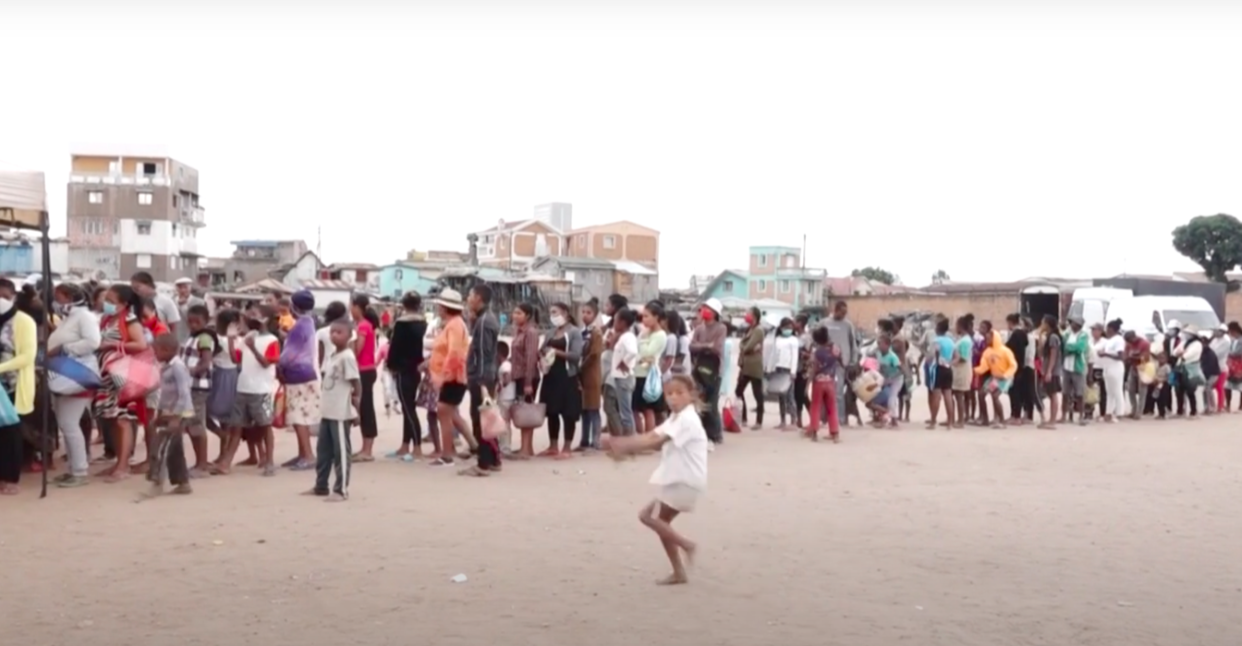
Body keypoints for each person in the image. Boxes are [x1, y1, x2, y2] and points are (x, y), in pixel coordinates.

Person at [605, 375, 705, 586]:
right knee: (661, 522)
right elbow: (651, 435)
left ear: (691, 395)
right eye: (669, 394)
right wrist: (623, 444)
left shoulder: (687, 419)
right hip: (680, 478)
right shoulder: (676, 417)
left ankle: (686, 545)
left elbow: (657, 442)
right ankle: (679, 571)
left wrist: (623, 445)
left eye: (679, 393)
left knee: (648, 517)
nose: (673, 398)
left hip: (684, 479)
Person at [92, 285, 150, 483]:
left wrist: (112, 345)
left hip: (123, 377)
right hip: (108, 377)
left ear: (124, 304)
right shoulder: (107, 320)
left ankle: (123, 465)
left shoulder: (129, 320)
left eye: (111, 300)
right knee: (112, 420)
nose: (106, 303)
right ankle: (119, 462)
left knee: (123, 420)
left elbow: (140, 344)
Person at [46, 283, 101, 488]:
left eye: (58, 296)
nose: (55, 301)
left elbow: (93, 342)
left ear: (68, 297)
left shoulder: (84, 317)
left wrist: (64, 349)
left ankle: (79, 471)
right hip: (64, 374)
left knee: (69, 424)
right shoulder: (69, 318)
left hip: (77, 375)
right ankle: (73, 468)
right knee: (66, 424)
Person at [308, 319, 361, 501]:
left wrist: (357, 409)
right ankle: (321, 484)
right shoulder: (332, 356)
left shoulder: (348, 357)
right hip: (328, 410)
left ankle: (341, 489)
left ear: (349, 336)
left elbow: (356, 383)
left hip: (340, 412)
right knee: (323, 451)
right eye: (332, 332)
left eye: (339, 332)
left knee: (341, 452)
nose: (334, 335)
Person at [141, 334, 196, 499]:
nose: (155, 354)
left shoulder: (178, 367)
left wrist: (176, 417)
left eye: (156, 350)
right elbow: (165, 394)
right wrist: (160, 414)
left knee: (162, 448)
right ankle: (182, 483)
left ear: (167, 350)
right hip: (168, 412)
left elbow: (184, 392)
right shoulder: (166, 366)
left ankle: (157, 483)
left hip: (178, 413)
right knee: (175, 449)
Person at [427, 288, 473, 467]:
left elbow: (454, 353)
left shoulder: (454, 325)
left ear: (444, 308)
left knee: (444, 413)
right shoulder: (454, 323)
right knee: (451, 413)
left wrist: (443, 376)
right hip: (453, 375)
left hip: (452, 376)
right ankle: (474, 446)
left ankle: (447, 455)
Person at [234, 305, 281, 476]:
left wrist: (252, 347)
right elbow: (236, 359)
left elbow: (266, 363)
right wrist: (233, 340)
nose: (250, 316)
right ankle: (259, 457)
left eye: (255, 314)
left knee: (264, 425)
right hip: (244, 385)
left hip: (262, 388)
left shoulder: (271, 340)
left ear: (265, 320)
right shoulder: (247, 337)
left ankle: (269, 460)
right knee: (247, 425)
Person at [279, 291, 321, 470]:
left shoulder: (299, 327)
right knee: (298, 416)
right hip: (306, 372)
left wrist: (279, 366)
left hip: (298, 374)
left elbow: (289, 354)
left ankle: (308, 455)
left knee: (298, 417)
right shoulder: (309, 323)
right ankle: (302, 453)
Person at [462, 283, 501, 476]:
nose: (468, 299)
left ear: (478, 298)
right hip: (484, 376)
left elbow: (484, 354)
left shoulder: (485, 321)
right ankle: (494, 459)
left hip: (482, 377)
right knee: (487, 418)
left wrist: (482, 381)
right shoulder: (483, 319)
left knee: (481, 420)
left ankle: (483, 463)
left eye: (470, 295)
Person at [537, 302, 583, 459]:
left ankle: (567, 447)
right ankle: (553, 445)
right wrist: (543, 354)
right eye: (551, 312)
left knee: (568, 412)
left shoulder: (574, 332)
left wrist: (557, 352)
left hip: (567, 377)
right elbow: (542, 349)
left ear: (565, 313)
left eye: (555, 312)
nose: (553, 316)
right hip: (550, 376)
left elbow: (576, 356)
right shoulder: (550, 332)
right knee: (552, 411)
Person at [386, 292, 427, 460]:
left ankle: (416, 447)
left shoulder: (401, 324)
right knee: (407, 407)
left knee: (408, 409)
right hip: (417, 368)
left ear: (404, 304)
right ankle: (405, 445)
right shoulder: (424, 322)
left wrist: (391, 366)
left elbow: (395, 347)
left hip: (403, 369)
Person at [181, 304, 218, 476]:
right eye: (190, 322)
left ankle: (202, 464)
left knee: (196, 424)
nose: (193, 325)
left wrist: (191, 371)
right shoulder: (192, 337)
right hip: (190, 386)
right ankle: (199, 462)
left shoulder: (204, 338)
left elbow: (205, 362)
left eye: (197, 322)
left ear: (205, 321)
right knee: (192, 425)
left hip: (198, 387)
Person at [207, 308, 242, 474]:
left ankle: (223, 448)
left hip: (224, 375)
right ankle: (223, 445)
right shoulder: (225, 339)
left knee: (220, 415)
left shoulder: (225, 340)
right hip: (226, 374)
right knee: (219, 416)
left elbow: (233, 357)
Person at [689, 299, 726, 444]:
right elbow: (691, 346)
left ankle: (716, 434)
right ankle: (703, 432)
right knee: (699, 402)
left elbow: (717, 348)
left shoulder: (721, 328)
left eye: (708, 308)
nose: (704, 310)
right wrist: (706, 346)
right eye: (704, 307)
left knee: (712, 403)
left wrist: (701, 346)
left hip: (715, 370)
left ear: (715, 312)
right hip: (698, 369)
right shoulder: (699, 328)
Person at [349, 295, 380, 461]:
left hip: (365, 370)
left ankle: (367, 450)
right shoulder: (363, 325)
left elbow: (357, 351)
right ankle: (365, 447)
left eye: (351, 306)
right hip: (366, 370)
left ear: (357, 307)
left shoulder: (362, 326)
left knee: (366, 408)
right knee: (364, 407)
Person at [509, 302, 541, 459]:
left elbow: (531, 358)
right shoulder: (517, 331)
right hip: (517, 376)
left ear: (527, 316)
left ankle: (526, 448)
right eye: (514, 313)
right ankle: (526, 447)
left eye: (519, 313)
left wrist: (528, 382)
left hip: (528, 377)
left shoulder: (531, 332)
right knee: (522, 411)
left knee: (527, 411)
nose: (515, 316)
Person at [820, 300, 859, 427]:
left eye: (845, 313)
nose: (844, 315)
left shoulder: (848, 325)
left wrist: (853, 362)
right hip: (825, 363)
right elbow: (817, 339)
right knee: (824, 391)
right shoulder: (824, 323)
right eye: (842, 312)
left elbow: (853, 344)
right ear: (836, 310)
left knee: (838, 393)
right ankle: (824, 419)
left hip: (841, 364)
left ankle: (840, 419)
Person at [973, 322, 1016, 428]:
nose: (986, 340)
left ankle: (1002, 421)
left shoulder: (1005, 351)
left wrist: (1006, 375)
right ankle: (985, 419)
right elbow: (984, 366)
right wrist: (975, 370)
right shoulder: (987, 352)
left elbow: (1013, 365)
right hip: (995, 378)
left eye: (988, 338)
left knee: (995, 396)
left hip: (1005, 378)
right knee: (981, 393)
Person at [577, 300, 605, 452]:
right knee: (584, 409)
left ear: (595, 315)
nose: (585, 315)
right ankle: (584, 440)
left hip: (592, 374)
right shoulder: (582, 332)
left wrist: (581, 366)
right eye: (583, 312)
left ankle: (596, 440)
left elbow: (594, 354)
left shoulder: (596, 333)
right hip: (582, 375)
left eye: (589, 313)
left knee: (593, 409)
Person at [609, 308, 640, 438]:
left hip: (624, 378)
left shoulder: (628, 337)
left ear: (622, 322)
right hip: (620, 377)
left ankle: (630, 439)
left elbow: (633, 352)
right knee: (624, 410)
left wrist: (624, 362)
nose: (614, 323)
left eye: (615, 321)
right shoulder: (624, 336)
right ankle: (628, 438)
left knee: (625, 411)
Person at [807, 326, 840, 442]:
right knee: (832, 408)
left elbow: (814, 368)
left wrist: (808, 383)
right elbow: (842, 361)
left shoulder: (817, 352)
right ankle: (835, 433)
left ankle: (814, 432)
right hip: (831, 381)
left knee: (815, 407)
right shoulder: (835, 349)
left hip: (819, 382)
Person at [733, 306, 765, 430]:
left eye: (748, 314)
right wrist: (744, 346)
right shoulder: (750, 329)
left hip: (754, 365)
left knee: (757, 394)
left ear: (755, 316)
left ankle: (759, 421)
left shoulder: (758, 330)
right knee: (739, 391)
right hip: (746, 365)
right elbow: (744, 345)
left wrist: (744, 346)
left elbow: (747, 346)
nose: (746, 315)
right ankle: (744, 417)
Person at [925, 317, 957, 430]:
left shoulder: (936, 341)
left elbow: (931, 355)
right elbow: (956, 357)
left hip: (938, 369)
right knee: (948, 395)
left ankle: (933, 421)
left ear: (938, 329)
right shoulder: (951, 341)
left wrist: (928, 361)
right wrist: (949, 363)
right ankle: (950, 422)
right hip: (948, 369)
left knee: (936, 396)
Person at [131, 271, 181, 337]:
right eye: (133, 288)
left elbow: (173, 325)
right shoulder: (133, 303)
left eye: (138, 287)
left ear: (149, 284)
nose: (135, 291)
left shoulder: (166, 301)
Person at [772, 317, 800, 429]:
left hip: (788, 370)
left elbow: (795, 357)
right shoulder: (777, 339)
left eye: (790, 327)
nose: (788, 329)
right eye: (786, 327)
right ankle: (782, 420)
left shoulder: (793, 340)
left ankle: (793, 420)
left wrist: (793, 371)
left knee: (790, 396)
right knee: (781, 396)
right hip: (778, 368)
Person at [875, 334, 903, 428]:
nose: (878, 346)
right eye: (878, 343)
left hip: (896, 379)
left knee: (891, 398)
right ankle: (881, 417)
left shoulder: (892, 357)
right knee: (875, 395)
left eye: (880, 344)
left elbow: (901, 370)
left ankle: (894, 420)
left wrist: (891, 378)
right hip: (886, 378)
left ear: (887, 345)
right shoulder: (878, 354)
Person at [173, 277, 206, 344]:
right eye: (180, 287)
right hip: (175, 335)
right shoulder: (172, 301)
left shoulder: (199, 302)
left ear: (190, 288)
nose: (182, 290)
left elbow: (195, 319)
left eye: (185, 287)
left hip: (192, 336)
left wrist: (183, 306)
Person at [496, 341, 514, 453]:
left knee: (504, 423)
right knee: (506, 423)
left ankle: (505, 448)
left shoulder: (505, 366)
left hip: (505, 398)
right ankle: (505, 446)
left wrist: (500, 386)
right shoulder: (508, 364)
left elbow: (507, 377)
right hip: (509, 397)